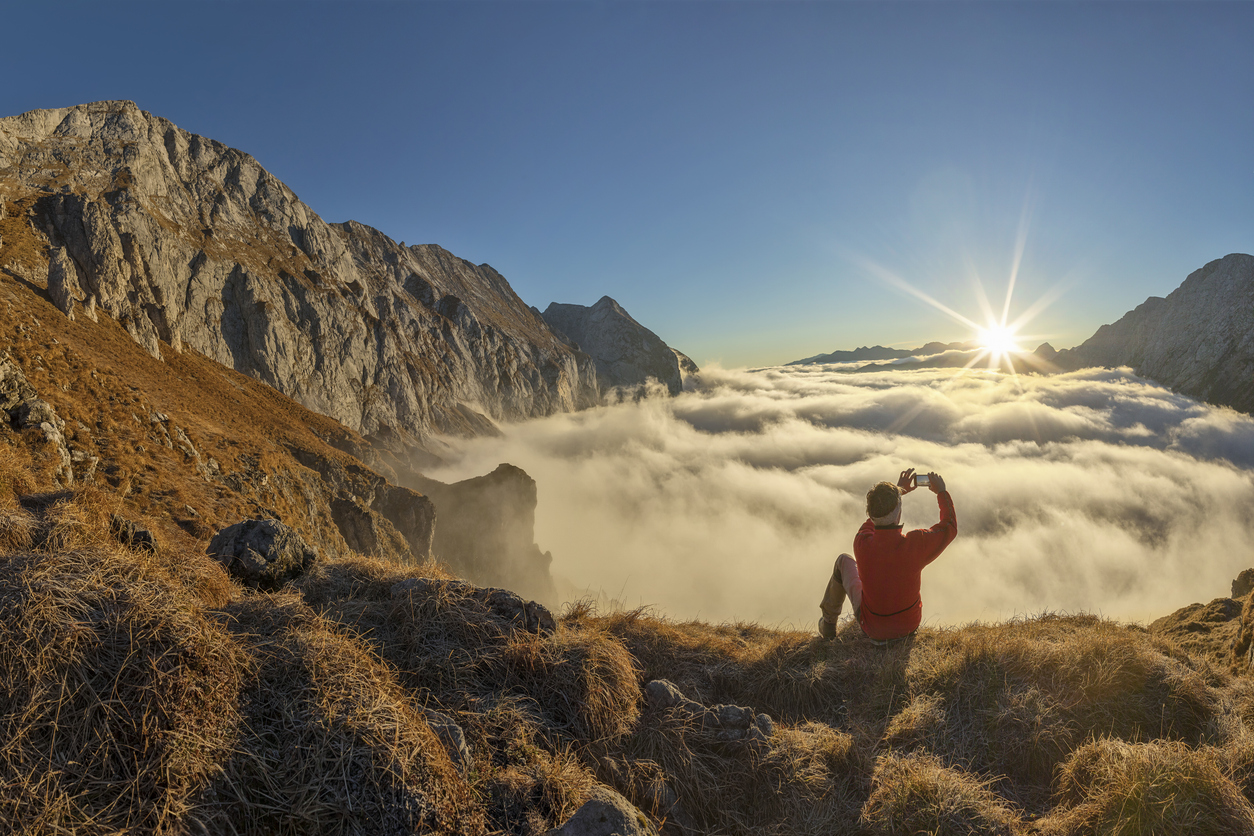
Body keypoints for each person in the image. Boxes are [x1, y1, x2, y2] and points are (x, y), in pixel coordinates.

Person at [818, 468, 957, 642]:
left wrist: (899, 492)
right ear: (898, 513)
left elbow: (871, 524)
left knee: (843, 561)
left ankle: (828, 626)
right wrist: (941, 492)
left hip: (872, 628)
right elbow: (949, 526)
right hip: (908, 626)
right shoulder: (916, 544)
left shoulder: (861, 542)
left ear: (870, 513)